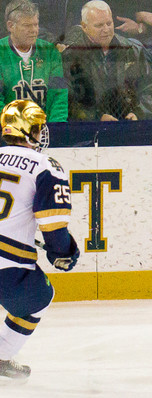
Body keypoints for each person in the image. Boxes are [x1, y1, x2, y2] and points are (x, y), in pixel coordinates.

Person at [0, 99, 79, 382]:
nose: (41, 132)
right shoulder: (45, 166)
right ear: (25, 130)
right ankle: (1, 355)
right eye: (36, 127)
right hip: (8, 266)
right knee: (39, 297)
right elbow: (52, 224)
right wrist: (63, 251)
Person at [61, 0, 152, 121]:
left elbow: (150, 89)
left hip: (130, 127)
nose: (106, 29)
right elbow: (67, 102)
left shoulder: (132, 50)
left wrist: (139, 113)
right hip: (90, 130)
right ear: (84, 27)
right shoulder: (70, 57)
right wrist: (96, 118)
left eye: (109, 23)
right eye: (99, 25)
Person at [0, 1, 68, 122]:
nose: (34, 30)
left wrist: (56, 129)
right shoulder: (1, 52)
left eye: (36, 25)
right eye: (27, 25)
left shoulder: (50, 52)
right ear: (10, 26)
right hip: (9, 129)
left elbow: (59, 96)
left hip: (46, 129)